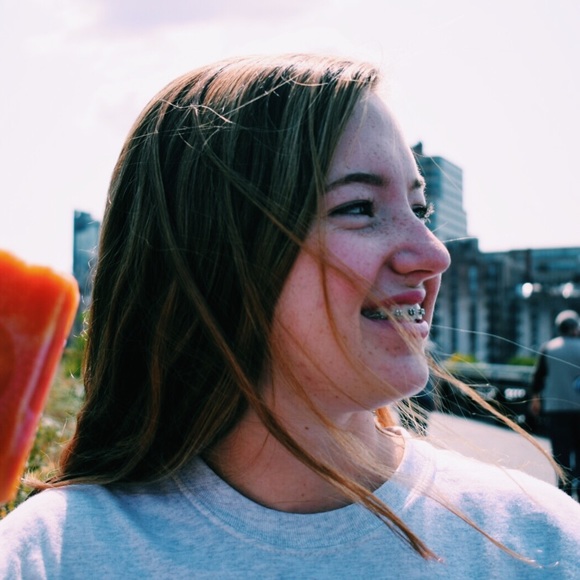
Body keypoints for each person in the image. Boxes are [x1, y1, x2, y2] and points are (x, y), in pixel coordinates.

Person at [1, 54, 579, 578]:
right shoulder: (47, 557)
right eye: (359, 207)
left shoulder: (543, 540)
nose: (434, 254)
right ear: (213, 258)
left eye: (420, 209)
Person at [530, 309, 580, 499]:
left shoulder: (548, 348)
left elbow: (537, 379)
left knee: (561, 455)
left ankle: (564, 495)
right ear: (576, 327)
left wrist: (536, 400)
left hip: (556, 410)